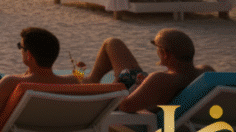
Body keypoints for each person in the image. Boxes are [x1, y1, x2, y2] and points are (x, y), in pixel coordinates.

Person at [80, 28, 214, 113]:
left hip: (124, 97)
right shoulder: (206, 72)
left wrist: (118, 86)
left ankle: (91, 81)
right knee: (113, 44)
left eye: (157, 48)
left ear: (165, 54)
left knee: (112, 43)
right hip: (151, 95)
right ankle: (91, 79)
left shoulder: (160, 79)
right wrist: (145, 84)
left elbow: (125, 106)